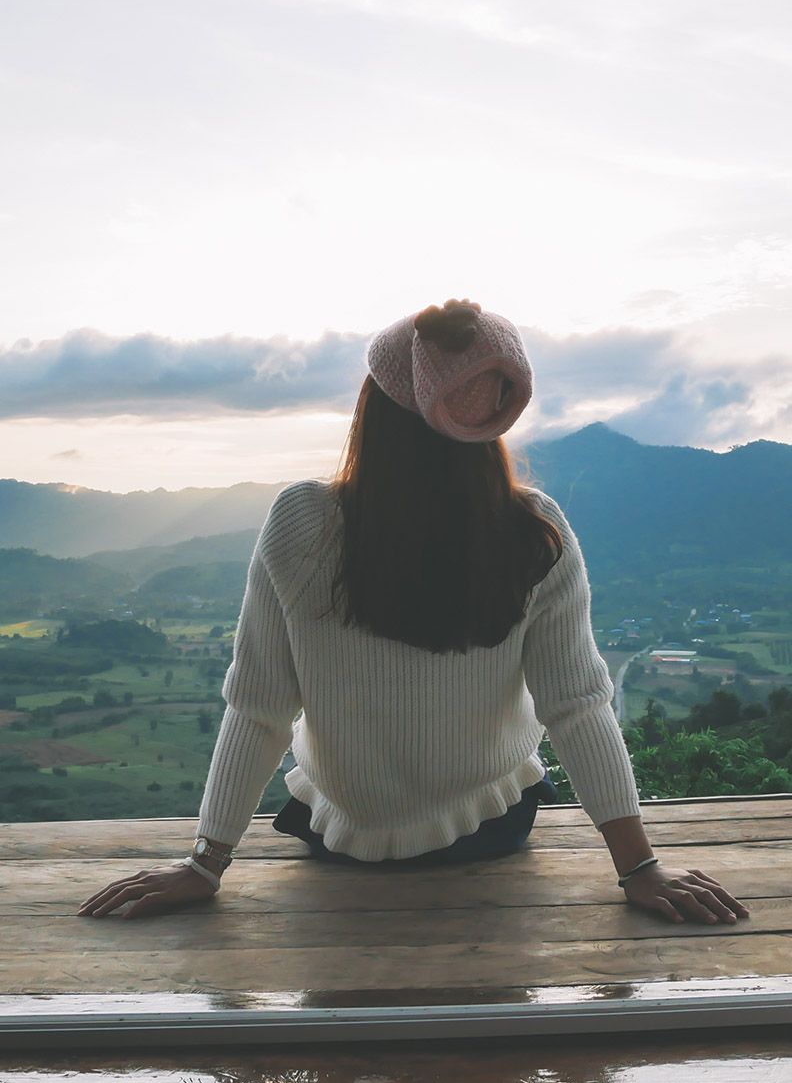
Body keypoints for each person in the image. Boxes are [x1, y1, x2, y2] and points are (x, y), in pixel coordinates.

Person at [79, 299, 749, 927]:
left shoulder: (300, 522)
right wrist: (640, 866)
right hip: (492, 829)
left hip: (335, 836)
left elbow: (258, 709)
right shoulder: (533, 532)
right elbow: (577, 706)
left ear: (373, 413)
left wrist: (205, 861)